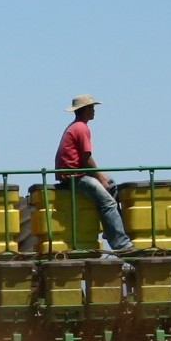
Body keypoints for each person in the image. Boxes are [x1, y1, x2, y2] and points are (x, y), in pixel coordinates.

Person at [55, 95, 135, 253]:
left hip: (75, 173)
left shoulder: (75, 126)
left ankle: (110, 229)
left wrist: (103, 179)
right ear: (85, 110)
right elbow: (86, 157)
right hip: (74, 177)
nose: (94, 111)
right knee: (108, 204)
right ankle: (122, 245)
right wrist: (99, 177)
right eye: (92, 108)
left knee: (112, 184)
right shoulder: (81, 128)